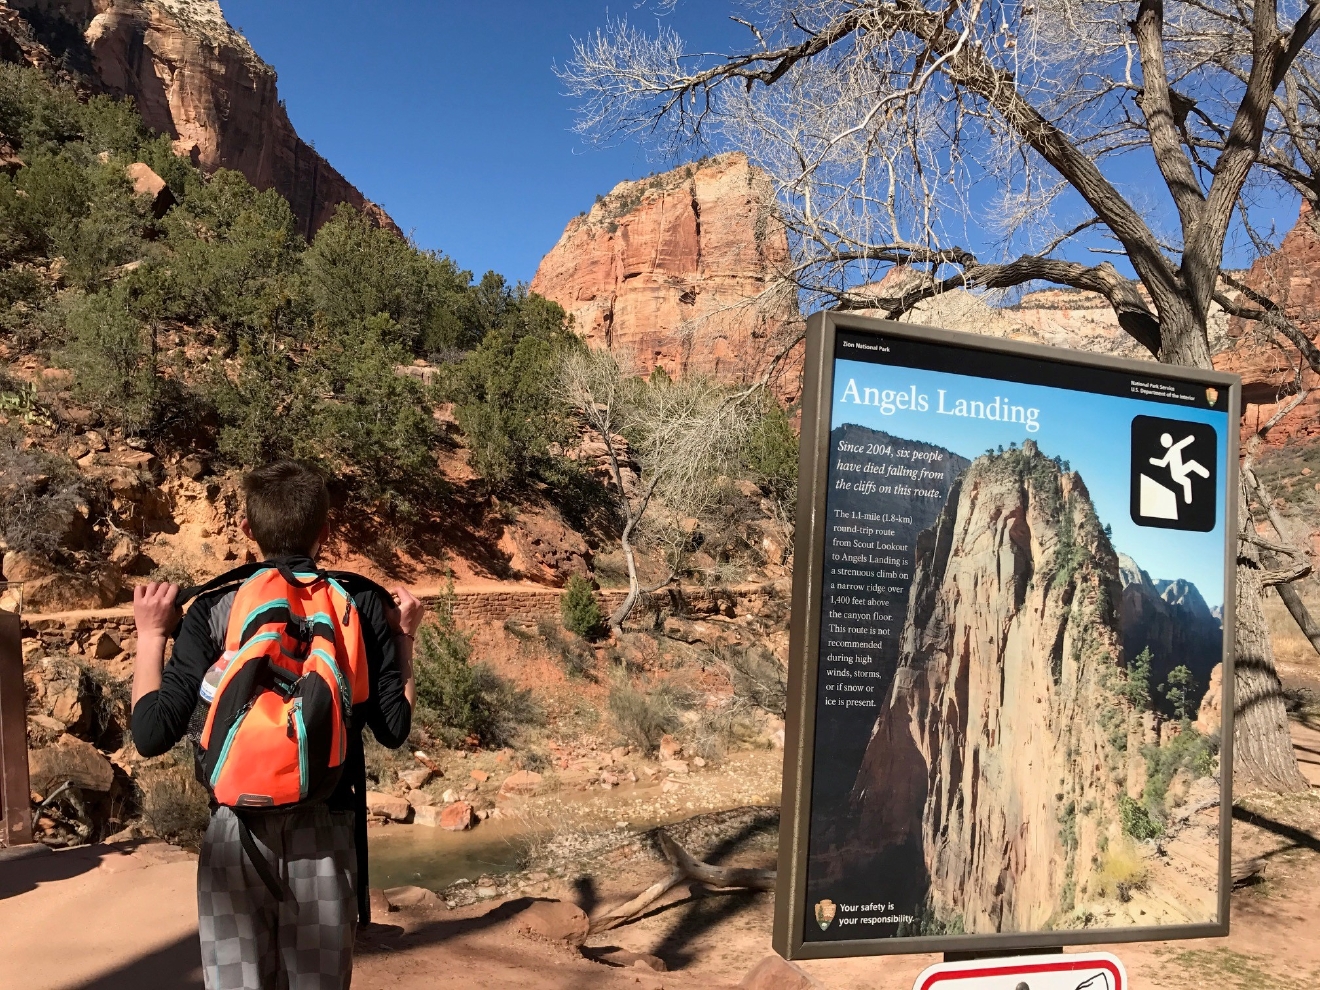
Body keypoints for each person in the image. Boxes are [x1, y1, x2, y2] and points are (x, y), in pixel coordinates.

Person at [130, 460, 422, 990]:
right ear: (326, 531)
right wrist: (404, 638)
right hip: (327, 821)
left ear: (247, 531)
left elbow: (150, 733)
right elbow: (394, 728)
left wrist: (151, 637)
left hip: (234, 825)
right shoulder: (358, 603)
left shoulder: (214, 609)